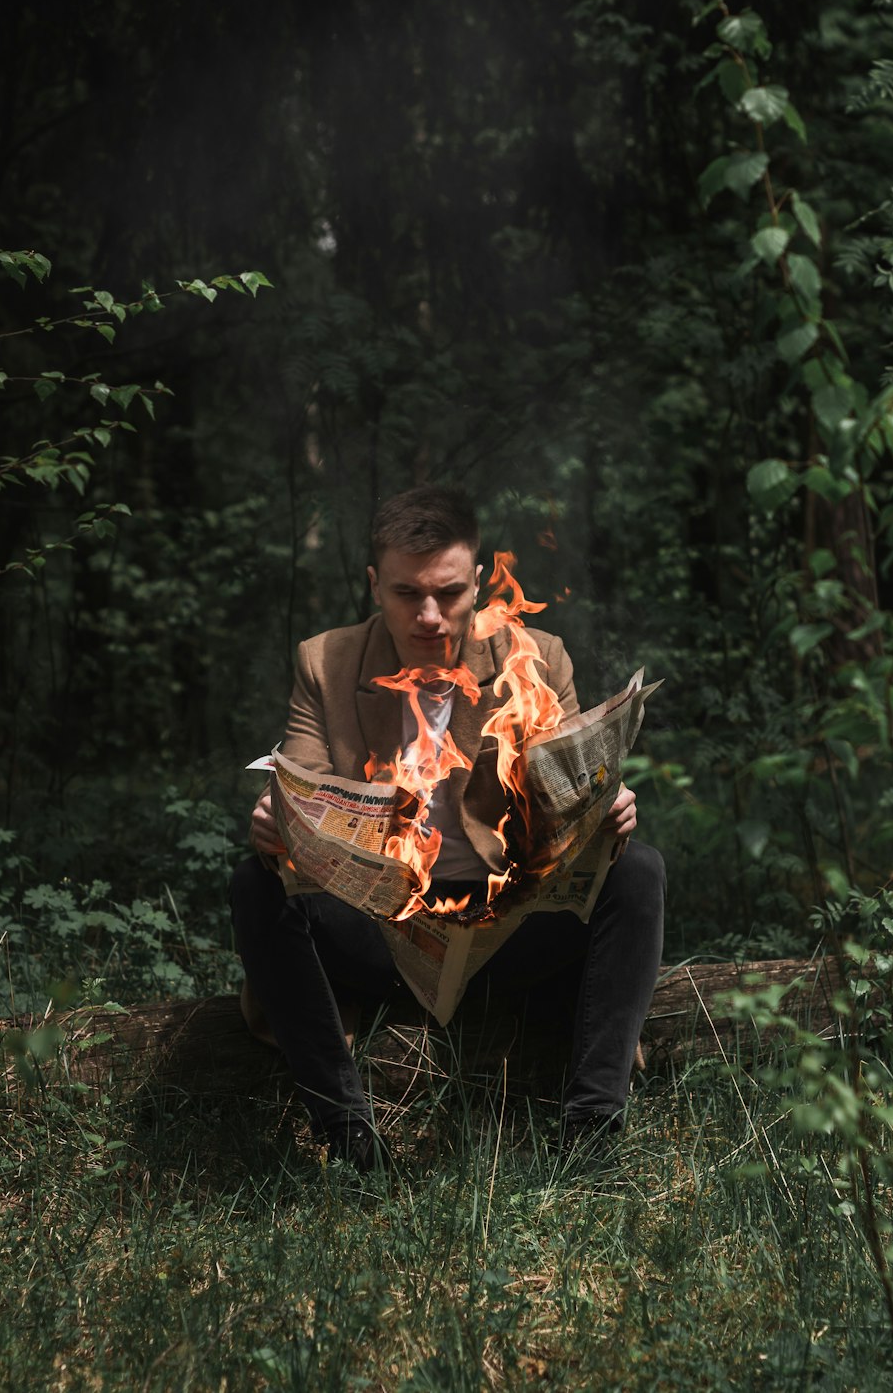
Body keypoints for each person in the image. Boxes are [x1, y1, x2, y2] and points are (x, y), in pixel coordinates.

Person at [229, 486, 664, 1169]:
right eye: (407, 594)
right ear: (374, 585)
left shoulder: (538, 657)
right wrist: (278, 819)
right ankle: (346, 1137)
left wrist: (610, 811)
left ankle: (592, 1133)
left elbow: (576, 792)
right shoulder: (326, 662)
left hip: (508, 932)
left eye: (451, 593)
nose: (430, 616)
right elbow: (301, 784)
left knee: (639, 872)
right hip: (381, 934)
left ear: (480, 581)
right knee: (255, 883)